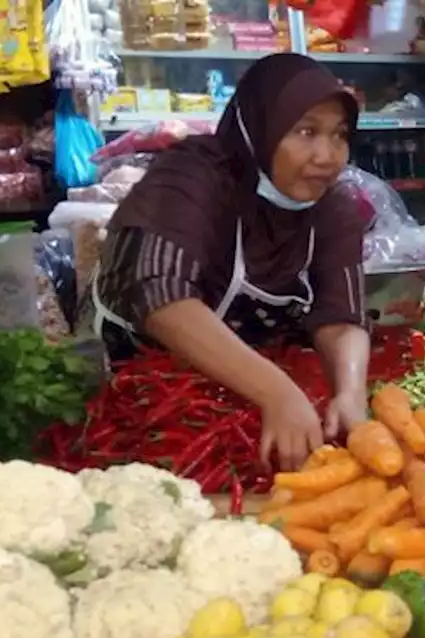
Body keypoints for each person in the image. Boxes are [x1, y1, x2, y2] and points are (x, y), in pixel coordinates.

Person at [92, 54, 369, 472]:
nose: (327, 156)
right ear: (259, 125)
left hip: (237, 400)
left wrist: (350, 391)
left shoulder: (332, 207)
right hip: (140, 402)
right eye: (306, 131)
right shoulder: (190, 176)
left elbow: (341, 314)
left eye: (339, 135)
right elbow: (163, 298)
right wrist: (277, 392)